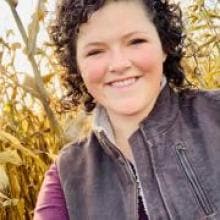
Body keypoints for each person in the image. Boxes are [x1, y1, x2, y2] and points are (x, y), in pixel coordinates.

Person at [34, 0, 220, 219]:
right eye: (95, 52)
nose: (119, 64)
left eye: (136, 41)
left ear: (164, 46)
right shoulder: (66, 175)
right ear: (77, 66)